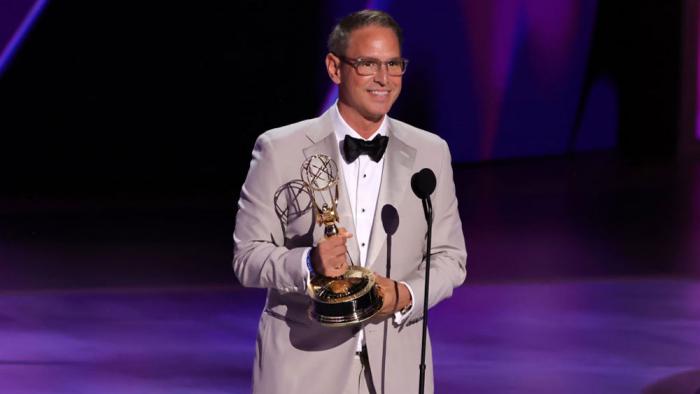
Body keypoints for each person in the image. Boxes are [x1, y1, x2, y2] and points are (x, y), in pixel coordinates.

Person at [233, 9, 467, 393]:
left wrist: (405, 294)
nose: (384, 78)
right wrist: (310, 263)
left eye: (394, 64)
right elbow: (247, 258)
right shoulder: (279, 149)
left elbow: (449, 257)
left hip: (398, 369)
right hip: (303, 368)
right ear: (334, 67)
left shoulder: (430, 153)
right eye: (368, 64)